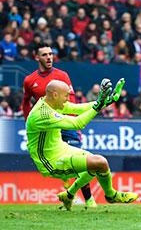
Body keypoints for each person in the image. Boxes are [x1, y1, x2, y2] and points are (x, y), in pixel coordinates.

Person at [26, 78, 138, 211]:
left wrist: (106, 102)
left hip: (63, 149)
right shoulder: (42, 114)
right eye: (66, 95)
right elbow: (77, 123)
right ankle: (111, 195)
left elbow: (79, 108)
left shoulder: (51, 103)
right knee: (99, 162)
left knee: (98, 163)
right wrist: (98, 106)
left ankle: (69, 195)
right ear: (55, 95)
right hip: (51, 161)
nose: (68, 98)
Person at [21, 43, 97, 207]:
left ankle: (89, 198)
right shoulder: (30, 80)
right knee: (61, 162)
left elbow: (71, 101)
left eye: (50, 54)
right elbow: (26, 102)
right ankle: (69, 193)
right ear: (37, 57)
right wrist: (28, 122)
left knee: (80, 160)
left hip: (66, 122)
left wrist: (74, 122)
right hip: (47, 125)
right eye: (45, 55)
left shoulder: (62, 75)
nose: (49, 57)